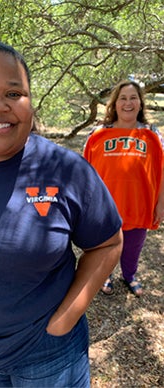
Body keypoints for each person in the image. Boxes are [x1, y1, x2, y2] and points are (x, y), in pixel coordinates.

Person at [0, 41, 123, 387]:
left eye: (14, 94)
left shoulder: (65, 169)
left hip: (47, 354)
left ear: (31, 104)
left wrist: (65, 318)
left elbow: (107, 244)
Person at [83, 80, 163, 297]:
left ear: (140, 103)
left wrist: (161, 203)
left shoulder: (151, 134)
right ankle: (106, 274)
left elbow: (162, 170)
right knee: (105, 244)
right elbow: (85, 170)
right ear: (115, 104)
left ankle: (129, 275)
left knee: (133, 245)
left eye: (133, 98)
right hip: (106, 204)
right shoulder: (98, 133)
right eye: (123, 98)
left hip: (139, 202)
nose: (128, 103)